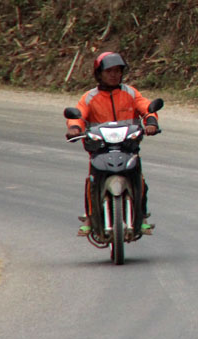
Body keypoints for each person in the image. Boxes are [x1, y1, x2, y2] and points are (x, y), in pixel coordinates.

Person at [65, 52, 159, 235]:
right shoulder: (90, 97)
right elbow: (78, 115)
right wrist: (74, 128)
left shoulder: (130, 93)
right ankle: (90, 217)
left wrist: (151, 122)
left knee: (139, 178)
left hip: (127, 146)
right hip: (100, 149)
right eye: (109, 71)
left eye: (117, 71)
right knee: (93, 181)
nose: (114, 75)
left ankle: (141, 215)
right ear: (99, 73)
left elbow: (146, 107)